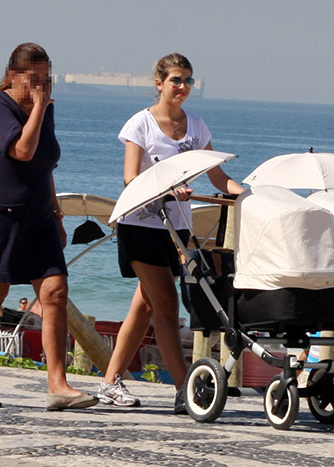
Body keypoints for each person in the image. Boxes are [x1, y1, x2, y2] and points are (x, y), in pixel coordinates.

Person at [97, 53, 244, 413]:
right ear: (159, 83)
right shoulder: (141, 125)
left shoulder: (197, 127)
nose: (182, 87)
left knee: (145, 305)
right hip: (140, 224)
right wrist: (166, 188)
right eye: (176, 80)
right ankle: (184, 389)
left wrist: (249, 193)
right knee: (165, 304)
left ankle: (110, 383)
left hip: (176, 229)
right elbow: (131, 177)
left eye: (188, 81)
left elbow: (217, 177)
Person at [0, 43, 98, 411]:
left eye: (46, 79)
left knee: (54, 292)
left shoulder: (45, 109)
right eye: (33, 80)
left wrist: (56, 212)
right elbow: (23, 150)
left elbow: (45, 164)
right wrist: (37, 108)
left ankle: (58, 384)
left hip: (38, 216)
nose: (41, 87)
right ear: (14, 75)